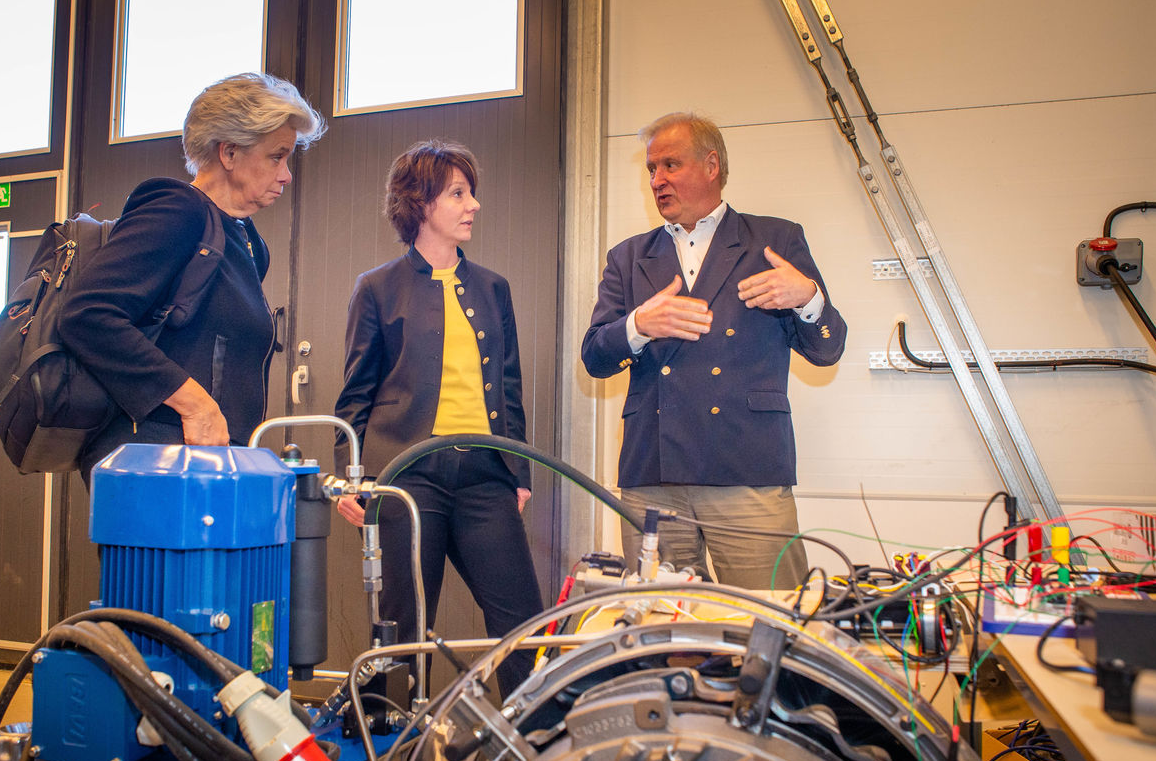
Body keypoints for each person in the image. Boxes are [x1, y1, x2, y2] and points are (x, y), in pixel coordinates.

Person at [581, 111, 846, 589]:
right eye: (651, 170)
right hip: (653, 473)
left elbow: (828, 350)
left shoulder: (774, 239)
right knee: (662, 627)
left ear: (712, 166)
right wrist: (638, 326)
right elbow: (595, 357)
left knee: (773, 621)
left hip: (748, 468)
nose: (657, 180)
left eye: (670, 165)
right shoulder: (628, 256)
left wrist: (807, 297)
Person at [334, 140, 542, 695]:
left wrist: (518, 473)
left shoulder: (494, 288)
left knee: (523, 622)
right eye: (457, 193)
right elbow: (355, 395)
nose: (472, 204)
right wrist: (348, 478)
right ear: (420, 202)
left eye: (471, 192)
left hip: (485, 476)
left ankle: (538, 746)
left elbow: (512, 386)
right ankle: (394, 750)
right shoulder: (377, 288)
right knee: (401, 630)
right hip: (406, 476)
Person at [61, 72, 325, 485]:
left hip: (206, 459)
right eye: (277, 156)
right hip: (156, 459)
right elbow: (88, 315)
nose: (286, 174)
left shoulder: (246, 238)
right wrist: (195, 404)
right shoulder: (176, 209)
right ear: (230, 152)